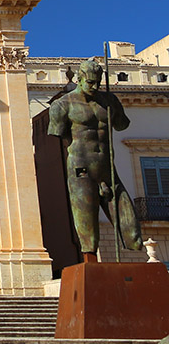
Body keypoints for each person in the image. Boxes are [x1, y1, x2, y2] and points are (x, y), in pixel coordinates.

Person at [47, 58, 142, 258]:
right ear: (79, 79)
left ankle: (136, 258)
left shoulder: (109, 101)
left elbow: (122, 125)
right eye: (90, 82)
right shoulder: (62, 105)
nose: (95, 86)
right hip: (81, 168)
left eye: (98, 81)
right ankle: (90, 262)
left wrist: (114, 106)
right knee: (87, 226)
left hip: (108, 169)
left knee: (130, 227)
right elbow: (60, 135)